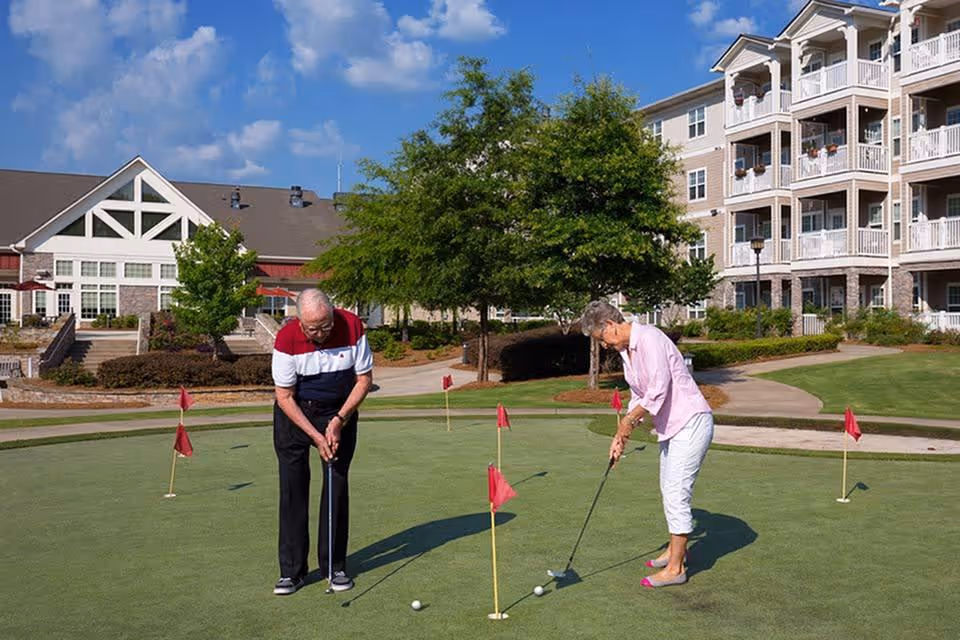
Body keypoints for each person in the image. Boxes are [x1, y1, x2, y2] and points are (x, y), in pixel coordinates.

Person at [580, 300, 713, 589]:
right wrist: (621, 436)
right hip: (672, 427)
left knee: (677, 492)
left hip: (691, 421)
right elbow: (639, 397)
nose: (603, 346)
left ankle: (677, 568)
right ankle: (675, 550)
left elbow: (658, 390)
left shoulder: (650, 339)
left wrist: (627, 422)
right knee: (668, 488)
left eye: (601, 339)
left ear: (610, 326)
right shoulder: (628, 352)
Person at [271, 288, 374, 595]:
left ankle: (334, 566)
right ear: (300, 322)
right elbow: (284, 396)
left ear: (333, 313)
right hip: (295, 415)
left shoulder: (353, 326)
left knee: (336, 485)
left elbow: (364, 379)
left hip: (338, 411)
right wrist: (316, 436)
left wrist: (339, 420)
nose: (320, 332)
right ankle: (292, 572)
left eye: (326, 325)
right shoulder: (286, 339)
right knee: (293, 487)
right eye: (312, 328)